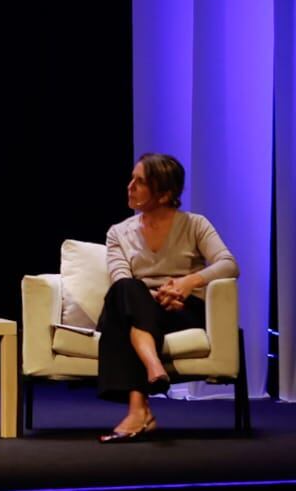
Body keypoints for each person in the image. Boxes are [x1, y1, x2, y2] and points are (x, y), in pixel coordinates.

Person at [96, 152, 238, 442]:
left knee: (127, 318)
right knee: (126, 291)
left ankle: (141, 409)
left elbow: (228, 264)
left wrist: (188, 283)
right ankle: (152, 373)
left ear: (164, 194)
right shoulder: (118, 232)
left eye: (140, 182)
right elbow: (120, 277)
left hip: (182, 311)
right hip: (138, 304)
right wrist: (155, 294)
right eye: (131, 179)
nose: (130, 186)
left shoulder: (195, 224)